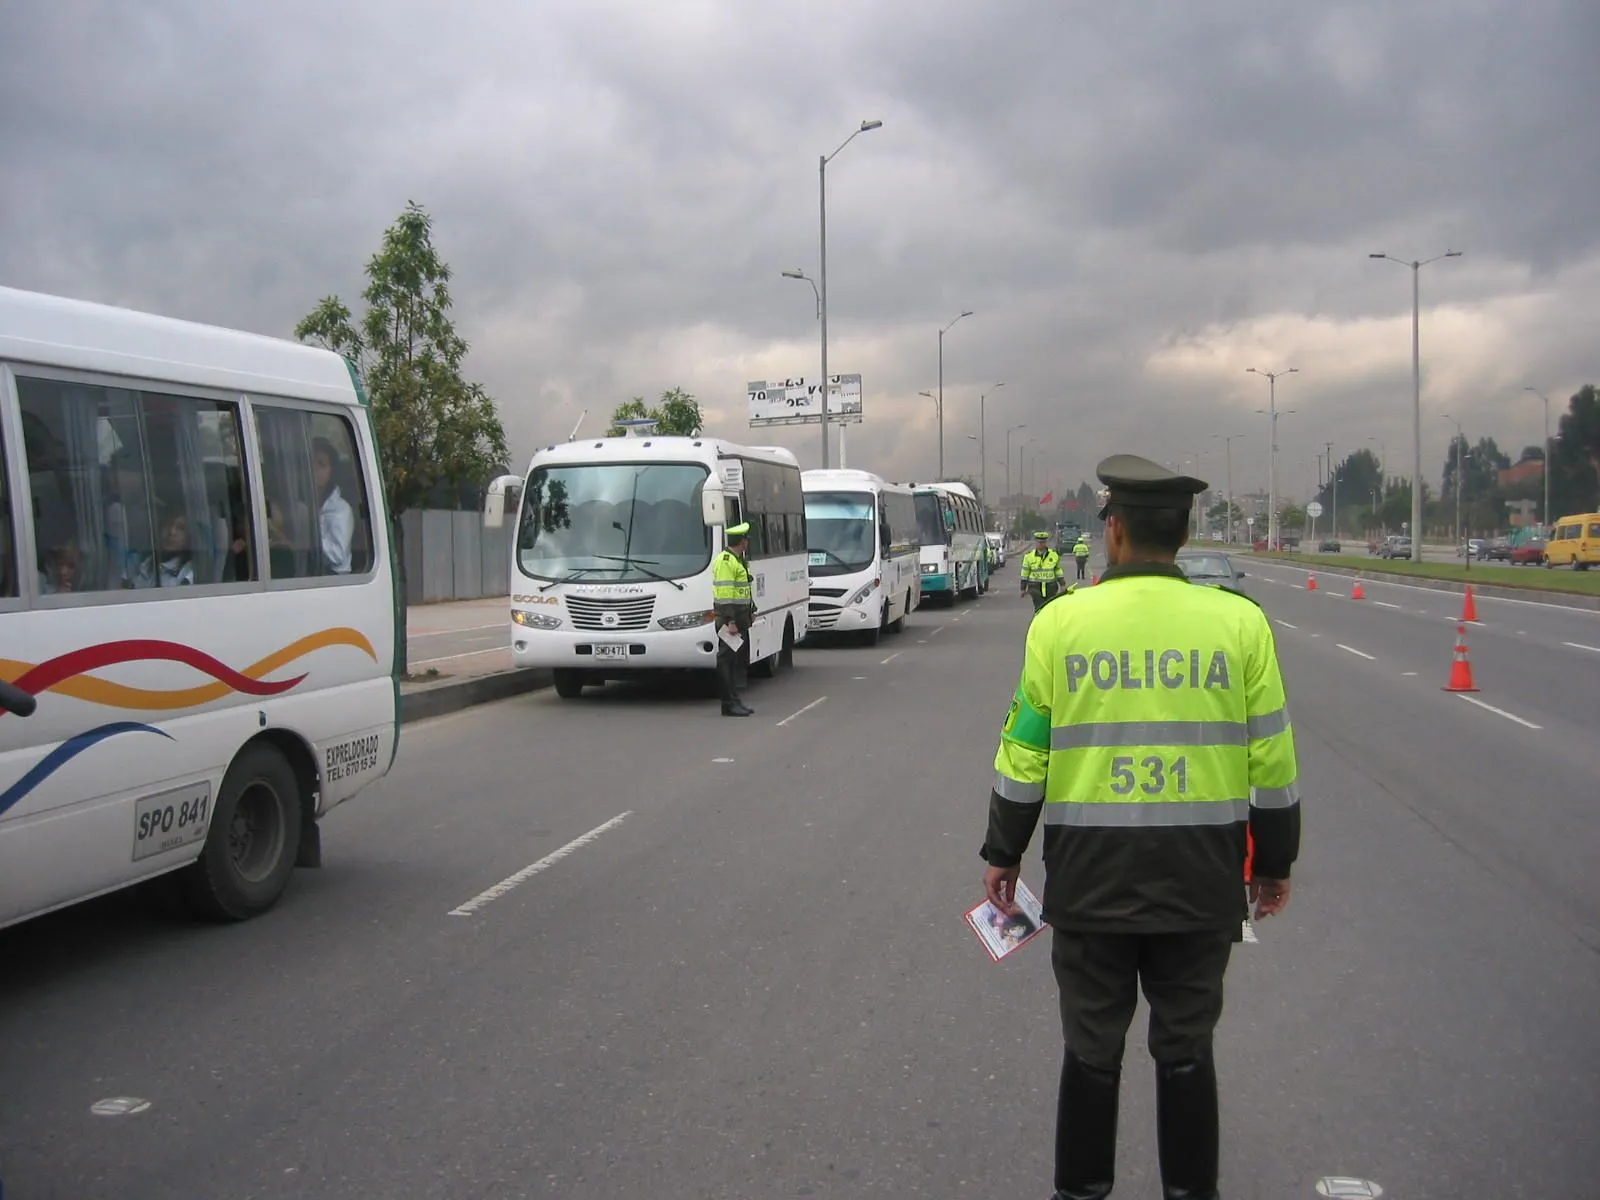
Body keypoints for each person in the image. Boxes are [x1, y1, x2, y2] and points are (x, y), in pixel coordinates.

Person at [980, 453, 1300, 1200]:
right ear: (1184, 534)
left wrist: (1003, 852)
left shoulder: (1060, 624)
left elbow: (1024, 755)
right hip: (1201, 883)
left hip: (1091, 884)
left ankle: (1080, 1193)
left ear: (1114, 531)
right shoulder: (1240, 624)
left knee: (1091, 1050)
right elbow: (1274, 766)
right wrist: (1272, 865)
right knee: (1186, 1047)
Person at [711, 522, 757, 717]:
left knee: (734, 662)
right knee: (725, 661)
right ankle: (728, 703)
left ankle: (734, 700)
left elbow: (742, 590)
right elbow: (725, 594)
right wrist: (730, 621)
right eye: (747, 540)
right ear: (742, 541)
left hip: (739, 620)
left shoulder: (739, 561)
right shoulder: (726, 561)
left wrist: (752, 609)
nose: (748, 544)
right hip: (729, 622)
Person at [312, 436, 355, 574]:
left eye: (321, 464)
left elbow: (336, 555)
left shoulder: (341, 509)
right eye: (310, 462)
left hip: (335, 578)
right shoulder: (305, 504)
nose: (314, 469)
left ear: (331, 471)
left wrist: (303, 543)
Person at [1019, 530, 1066, 611]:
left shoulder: (1053, 555)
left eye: (1043, 542)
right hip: (1035, 587)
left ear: (1046, 543)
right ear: (1035, 543)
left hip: (1050, 587)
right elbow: (1025, 573)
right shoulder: (1028, 556)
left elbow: (1058, 570)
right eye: (1039, 542)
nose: (1041, 544)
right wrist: (1023, 588)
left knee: (1050, 609)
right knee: (1039, 608)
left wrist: (1062, 584)